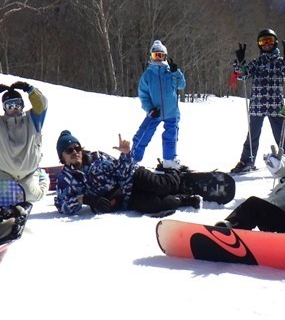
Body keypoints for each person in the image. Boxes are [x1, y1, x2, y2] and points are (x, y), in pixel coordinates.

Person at [54, 130, 202, 217]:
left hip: (132, 176)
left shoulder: (97, 157)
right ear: (62, 156)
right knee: (153, 205)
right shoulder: (65, 180)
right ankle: (184, 199)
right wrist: (83, 199)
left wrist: (125, 155)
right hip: (124, 198)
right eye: (69, 150)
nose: (75, 152)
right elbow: (62, 205)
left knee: (159, 186)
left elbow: (121, 170)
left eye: (77, 148)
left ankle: (180, 177)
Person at [231, 28, 285, 173]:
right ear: (259, 44)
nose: (267, 44)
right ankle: (247, 161)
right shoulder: (257, 63)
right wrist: (240, 62)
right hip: (258, 105)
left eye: (270, 41)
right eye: (263, 41)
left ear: (275, 43)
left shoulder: (281, 63)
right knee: (253, 135)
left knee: (281, 135)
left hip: (276, 105)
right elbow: (241, 75)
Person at [0, 79, 49, 205]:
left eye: (17, 104)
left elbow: (42, 105)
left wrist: (30, 90)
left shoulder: (33, 119)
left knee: (33, 196)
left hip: (28, 172)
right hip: (5, 172)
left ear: (22, 105)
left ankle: (41, 175)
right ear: (4, 108)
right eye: (10, 106)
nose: (14, 108)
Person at [130, 39, 187, 169]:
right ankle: (133, 159)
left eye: (160, 55)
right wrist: (149, 109)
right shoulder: (148, 74)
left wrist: (176, 72)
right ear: (151, 57)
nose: (158, 59)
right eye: (155, 56)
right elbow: (143, 95)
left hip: (171, 111)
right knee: (143, 134)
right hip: (155, 111)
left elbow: (181, 85)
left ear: (165, 56)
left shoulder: (170, 72)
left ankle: (169, 159)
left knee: (171, 136)